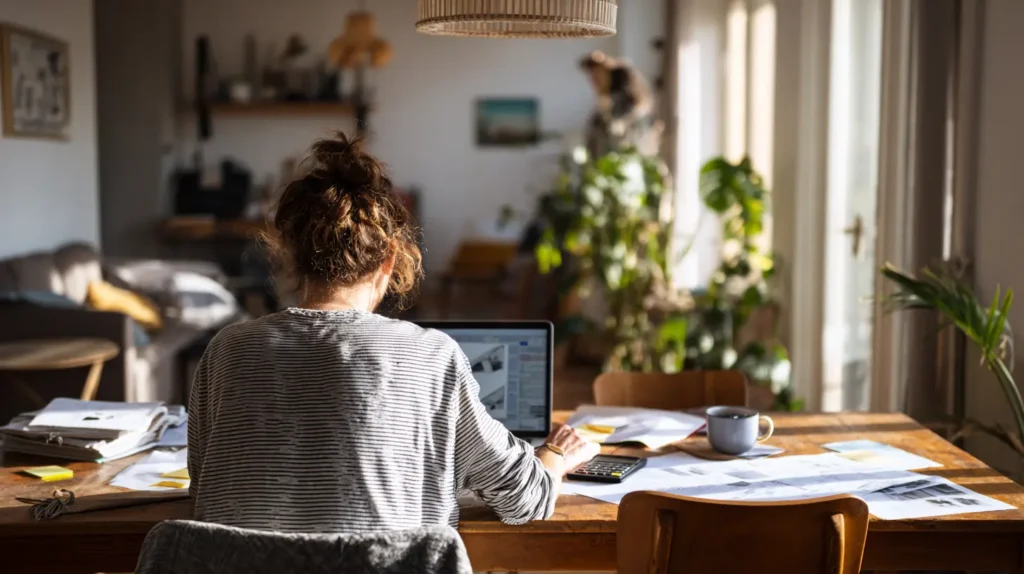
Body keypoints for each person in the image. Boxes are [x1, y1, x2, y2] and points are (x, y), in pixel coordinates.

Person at [187, 132, 599, 533]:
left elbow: (204, 488)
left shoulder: (227, 350)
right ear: (389, 260)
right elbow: (524, 499)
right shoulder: (431, 356)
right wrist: (556, 453)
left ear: (290, 257)